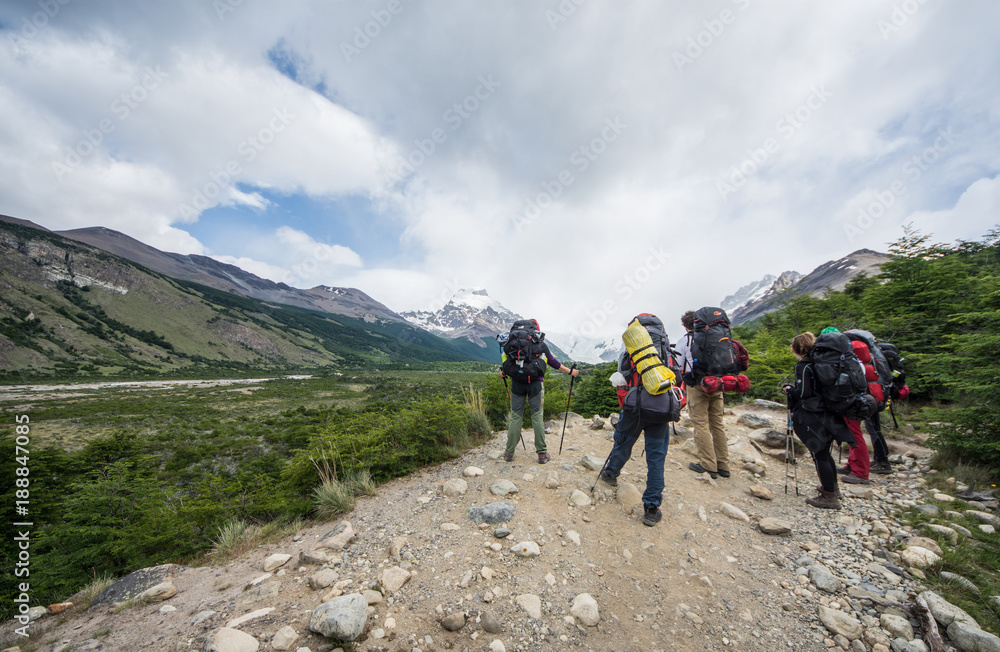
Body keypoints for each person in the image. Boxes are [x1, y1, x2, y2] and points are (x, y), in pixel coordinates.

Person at [598, 314, 678, 527]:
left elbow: (621, 377)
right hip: (660, 408)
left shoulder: (631, 349)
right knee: (656, 458)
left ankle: (611, 473)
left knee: (623, 442)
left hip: (634, 407)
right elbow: (676, 377)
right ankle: (651, 508)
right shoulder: (665, 349)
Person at [785, 332, 855, 510]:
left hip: (813, 414)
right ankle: (833, 489)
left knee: (819, 454)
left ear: (795, 349)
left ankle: (829, 496)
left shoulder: (803, 366)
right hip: (829, 412)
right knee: (825, 452)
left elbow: (803, 394)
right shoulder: (822, 363)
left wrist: (789, 390)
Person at [499, 319, 579, 464]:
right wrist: (570, 372)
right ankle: (542, 454)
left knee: (516, 417)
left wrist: (503, 373)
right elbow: (553, 362)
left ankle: (509, 453)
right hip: (536, 384)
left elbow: (505, 364)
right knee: (537, 417)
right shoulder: (539, 344)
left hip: (517, 384)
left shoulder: (510, 344)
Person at [673, 310, 730, 479]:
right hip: (717, 383)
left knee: (700, 424)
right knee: (717, 424)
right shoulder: (714, 337)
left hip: (697, 385)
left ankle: (708, 465)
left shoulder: (685, 340)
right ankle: (723, 465)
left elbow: (679, 365)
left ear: (685, 325)